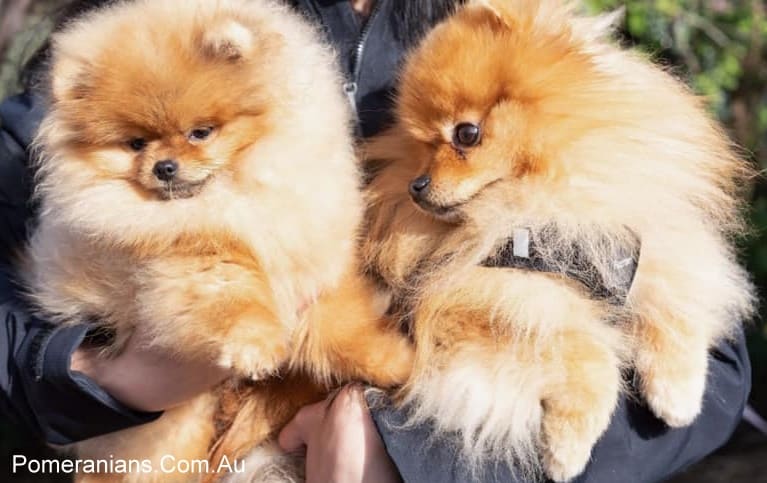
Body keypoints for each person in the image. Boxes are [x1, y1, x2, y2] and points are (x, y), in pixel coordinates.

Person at [0, 1, 751, 481]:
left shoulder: (495, 32)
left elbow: (709, 383)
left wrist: (411, 458)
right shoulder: (133, 36)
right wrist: (104, 374)